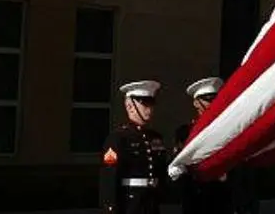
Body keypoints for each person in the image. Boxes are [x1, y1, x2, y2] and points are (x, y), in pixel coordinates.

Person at [100, 80, 169, 214]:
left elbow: (159, 169)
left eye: (151, 104)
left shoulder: (155, 137)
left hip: (151, 202)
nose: (149, 109)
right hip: (130, 203)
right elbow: (109, 176)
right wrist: (110, 207)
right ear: (130, 106)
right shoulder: (118, 138)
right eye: (144, 104)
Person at [175, 77, 233, 214]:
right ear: (196, 102)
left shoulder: (225, 129)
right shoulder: (186, 132)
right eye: (208, 99)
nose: (212, 104)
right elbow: (183, 166)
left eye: (215, 99)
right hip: (197, 196)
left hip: (221, 196)